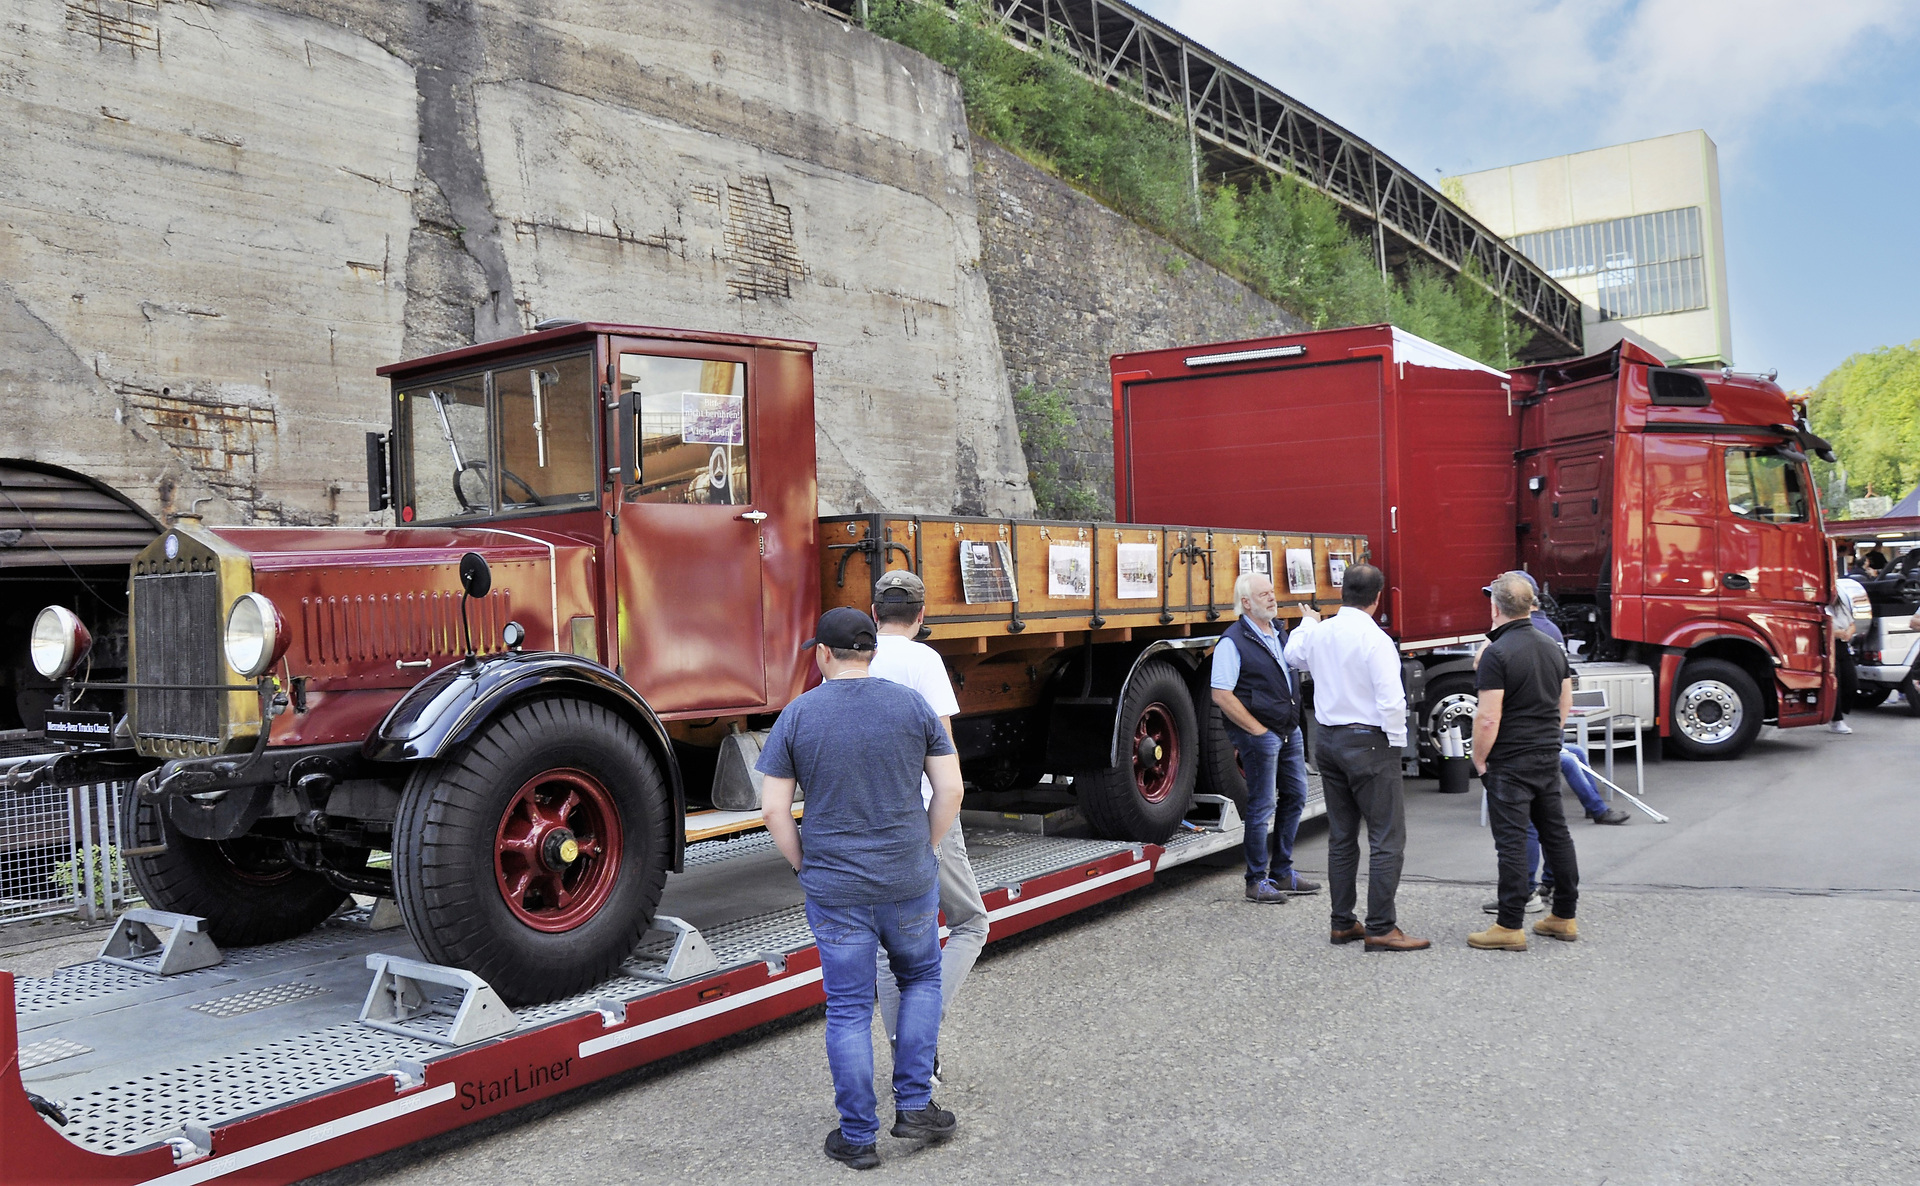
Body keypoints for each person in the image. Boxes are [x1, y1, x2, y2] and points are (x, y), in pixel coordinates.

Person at [758, 607, 965, 1170]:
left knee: (848, 1006)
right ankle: (916, 1106)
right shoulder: (910, 706)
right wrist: (926, 848)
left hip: (835, 886)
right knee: (920, 978)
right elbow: (950, 788)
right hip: (907, 878)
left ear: (823, 654)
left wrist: (804, 864)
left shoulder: (798, 716)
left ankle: (858, 1136)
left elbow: (775, 810)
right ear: (869, 652)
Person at [867, 570, 990, 1080]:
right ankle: (922, 1034)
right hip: (923, 811)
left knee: (884, 945)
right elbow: (943, 750)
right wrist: (940, 825)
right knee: (970, 922)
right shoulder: (926, 660)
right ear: (922, 616)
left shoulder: (854, 659)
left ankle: (910, 1055)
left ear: (874, 614)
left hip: (870, 815)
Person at [1283, 563, 1429, 952]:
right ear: (1378, 598)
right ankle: (1381, 926)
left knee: (1342, 836)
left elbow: (1292, 655)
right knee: (1386, 838)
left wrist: (1308, 623)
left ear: (1341, 592)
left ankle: (1342, 922)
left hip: (1328, 740)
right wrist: (1395, 745)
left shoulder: (1320, 632)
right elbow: (1391, 700)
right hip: (1369, 741)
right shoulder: (1375, 639)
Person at [1468, 573, 1581, 951]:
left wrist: (1478, 758)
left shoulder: (1495, 654)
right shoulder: (1552, 647)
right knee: (1556, 834)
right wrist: (1549, 736)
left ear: (1495, 608)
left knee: (1512, 842)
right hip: (1546, 754)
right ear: (1531, 604)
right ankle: (1563, 916)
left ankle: (1509, 925)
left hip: (1510, 761)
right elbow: (1564, 702)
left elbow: (1488, 717)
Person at [1210, 571, 1319, 902]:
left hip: (1288, 731)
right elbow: (1221, 694)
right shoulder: (1232, 641)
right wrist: (1257, 731)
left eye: (1272, 592)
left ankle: (1283, 873)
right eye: (1264, 595)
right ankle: (1256, 880)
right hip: (1262, 736)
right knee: (1262, 806)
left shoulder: (1279, 633)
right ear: (1246, 603)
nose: (1272, 598)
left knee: (1296, 796)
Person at [1830, 572, 1867, 735]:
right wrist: (1837, 633)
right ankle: (1836, 719)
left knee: (1851, 683)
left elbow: (1852, 624)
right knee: (1836, 683)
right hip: (1830, 646)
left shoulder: (1841, 605)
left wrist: (1848, 632)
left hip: (1843, 645)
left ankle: (1840, 712)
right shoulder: (1821, 607)